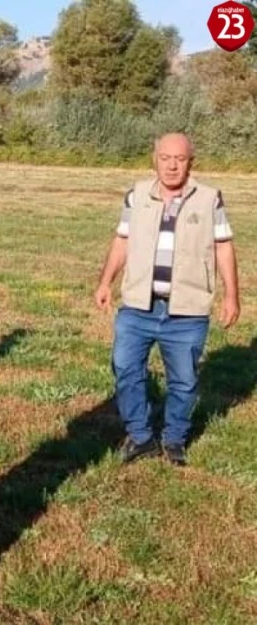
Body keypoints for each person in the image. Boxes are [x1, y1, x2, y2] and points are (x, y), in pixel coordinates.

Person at [94, 133, 239, 467]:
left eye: (180, 159)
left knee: (184, 381)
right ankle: (141, 436)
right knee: (125, 369)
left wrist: (232, 295)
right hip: (137, 307)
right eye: (165, 158)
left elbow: (223, 246)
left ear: (191, 162)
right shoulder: (137, 195)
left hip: (187, 311)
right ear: (154, 159)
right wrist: (106, 282)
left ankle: (174, 439)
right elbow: (122, 240)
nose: (172, 166)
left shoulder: (209, 199)